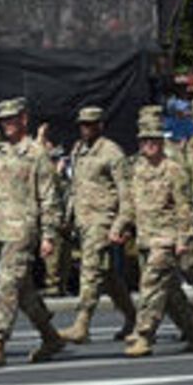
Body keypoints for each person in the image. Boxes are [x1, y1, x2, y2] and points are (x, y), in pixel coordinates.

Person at [0, 98, 67, 368]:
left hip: (22, 231)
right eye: (3, 119)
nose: (8, 124)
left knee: (6, 286)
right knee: (23, 292)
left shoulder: (36, 154)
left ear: (24, 119)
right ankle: (51, 337)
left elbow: (49, 197)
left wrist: (48, 235)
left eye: (13, 118)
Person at [125, 114, 193, 357]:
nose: (149, 144)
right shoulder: (138, 170)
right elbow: (131, 204)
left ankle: (144, 335)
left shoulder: (173, 170)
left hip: (166, 239)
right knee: (170, 294)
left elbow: (185, 208)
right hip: (145, 239)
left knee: (151, 287)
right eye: (145, 140)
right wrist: (120, 226)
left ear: (162, 142)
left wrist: (183, 239)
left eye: (154, 140)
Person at [58, 107, 136, 345]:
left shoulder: (112, 152)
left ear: (100, 125)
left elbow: (126, 193)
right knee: (107, 275)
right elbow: (75, 187)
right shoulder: (79, 150)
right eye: (83, 124)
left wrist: (121, 224)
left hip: (103, 220)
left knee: (90, 270)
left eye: (91, 124)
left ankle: (82, 324)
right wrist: (68, 217)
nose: (86, 128)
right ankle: (133, 317)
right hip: (83, 220)